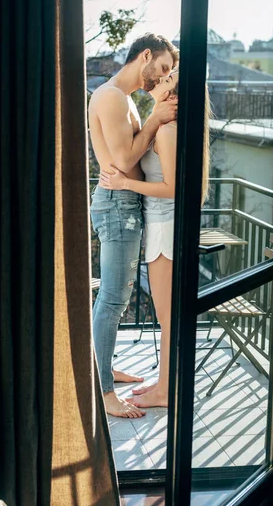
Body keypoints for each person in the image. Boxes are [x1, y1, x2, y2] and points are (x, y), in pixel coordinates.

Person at [100, 70, 211, 408]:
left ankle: (166, 390)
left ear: (173, 96)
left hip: (166, 231)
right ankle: (165, 384)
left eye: (167, 80)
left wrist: (125, 185)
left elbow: (173, 189)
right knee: (169, 315)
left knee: (167, 316)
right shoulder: (166, 129)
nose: (159, 80)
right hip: (164, 228)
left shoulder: (168, 132)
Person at [89, 33, 179, 418]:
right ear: (145, 55)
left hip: (125, 203)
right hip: (117, 203)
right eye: (161, 68)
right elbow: (125, 161)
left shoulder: (123, 100)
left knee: (117, 297)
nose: (160, 79)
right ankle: (104, 392)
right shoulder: (111, 97)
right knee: (112, 298)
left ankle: (103, 370)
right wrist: (157, 117)